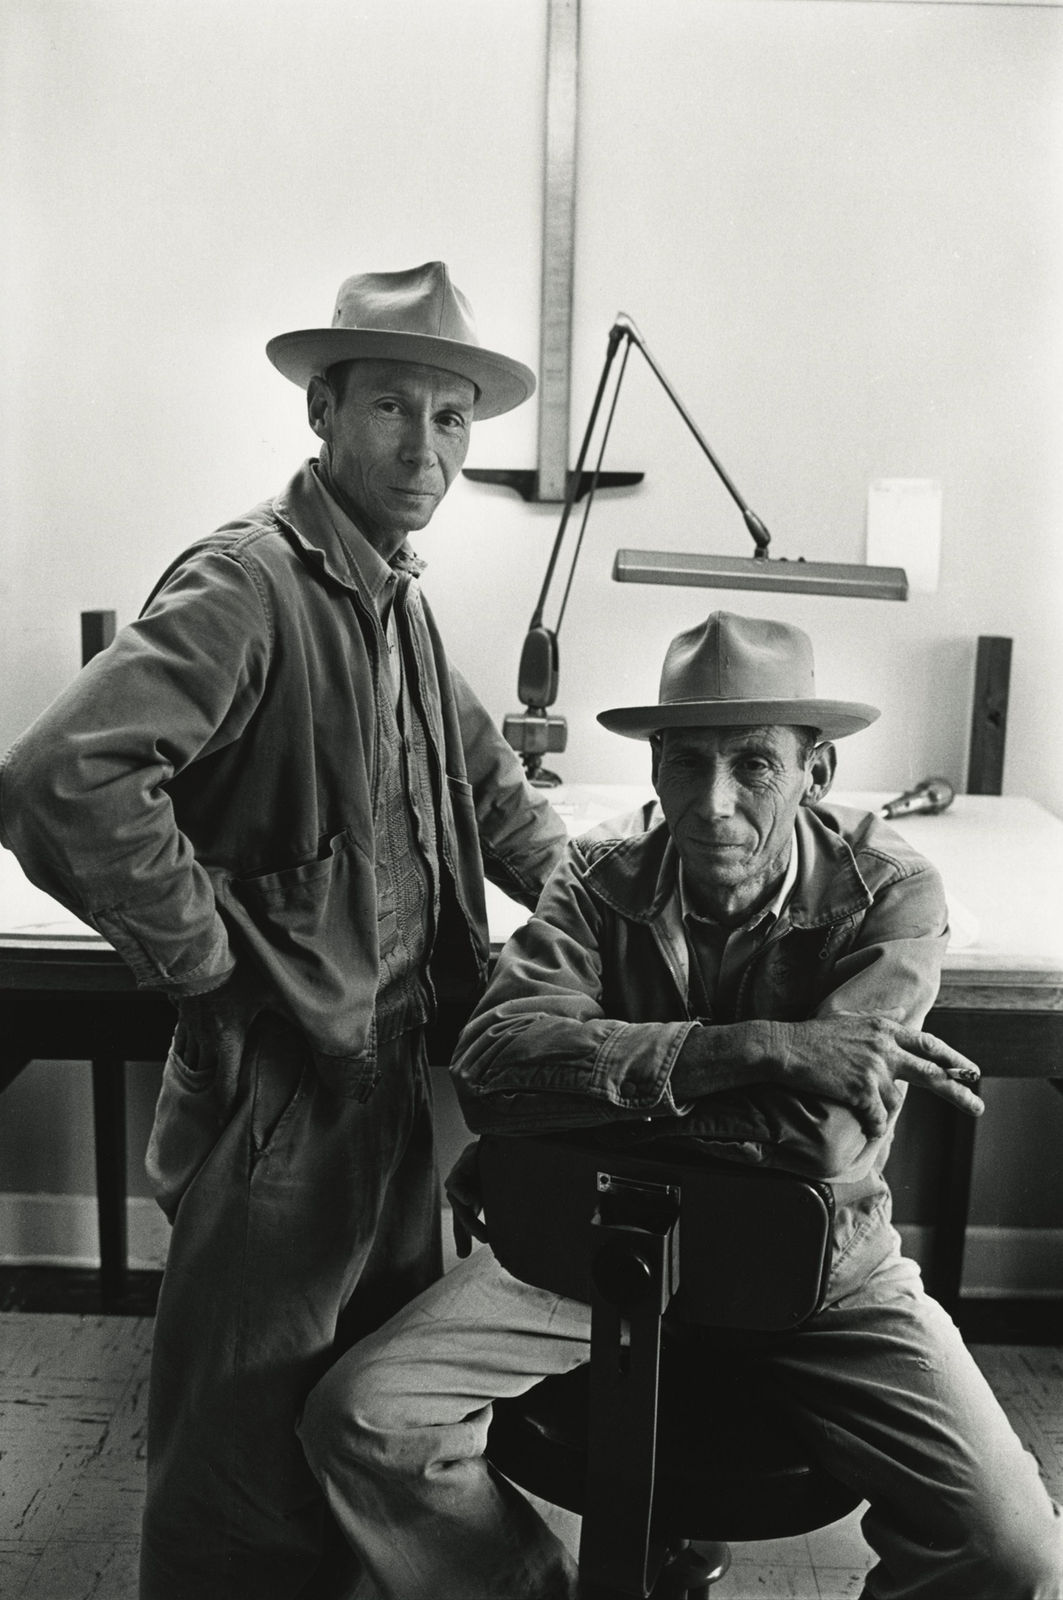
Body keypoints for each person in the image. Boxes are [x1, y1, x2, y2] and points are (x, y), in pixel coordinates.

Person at [0, 261, 568, 1599]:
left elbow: (493, 798)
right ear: (322, 411)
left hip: (399, 1082)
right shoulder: (252, 581)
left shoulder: (395, 595)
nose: (423, 446)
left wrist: (630, 913)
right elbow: (60, 775)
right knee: (236, 1448)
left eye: (449, 418)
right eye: (390, 409)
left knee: (356, 1411)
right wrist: (206, 964)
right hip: (286, 1095)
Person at [297, 612, 1063, 1599]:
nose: (712, 804)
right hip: (590, 1243)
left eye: (752, 764)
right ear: (652, 770)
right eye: (684, 762)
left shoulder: (892, 893)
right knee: (359, 1418)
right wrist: (756, 1047)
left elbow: (815, 1144)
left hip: (814, 1266)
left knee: (1011, 1548)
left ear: (814, 773)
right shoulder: (591, 875)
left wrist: (563, 1115)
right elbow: (487, 1066)